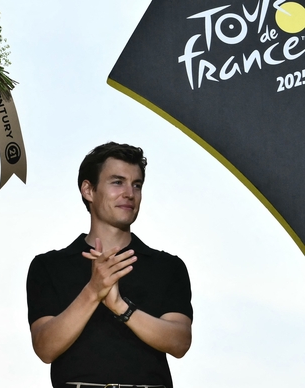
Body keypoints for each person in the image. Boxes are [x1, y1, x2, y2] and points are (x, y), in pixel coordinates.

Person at [26, 142, 192, 388]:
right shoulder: (49, 266)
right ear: (88, 190)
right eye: (117, 182)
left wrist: (120, 306)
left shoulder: (168, 267)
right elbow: (45, 348)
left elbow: (180, 343)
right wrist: (93, 291)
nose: (129, 193)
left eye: (136, 185)